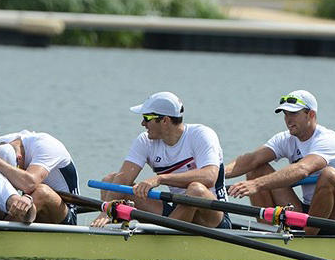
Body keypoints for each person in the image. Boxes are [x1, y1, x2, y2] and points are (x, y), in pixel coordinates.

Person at [91, 91, 231, 229]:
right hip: (178, 211)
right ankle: (113, 229)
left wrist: (160, 179)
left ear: (165, 120)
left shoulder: (201, 135)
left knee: (196, 190)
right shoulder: (145, 141)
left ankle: (162, 239)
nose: (142, 123)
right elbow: (123, 178)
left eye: (147, 117)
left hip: (212, 216)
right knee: (110, 181)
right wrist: (107, 209)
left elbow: (210, 176)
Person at [225, 90, 335, 235]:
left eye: (293, 114)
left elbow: (302, 169)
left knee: (329, 174)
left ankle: (309, 238)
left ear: (311, 114)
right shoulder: (285, 139)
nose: (288, 120)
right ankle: (267, 233)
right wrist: (217, 174)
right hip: (309, 211)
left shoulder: (328, 140)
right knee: (256, 170)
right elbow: (252, 159)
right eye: (285, 114)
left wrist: (255, 184)